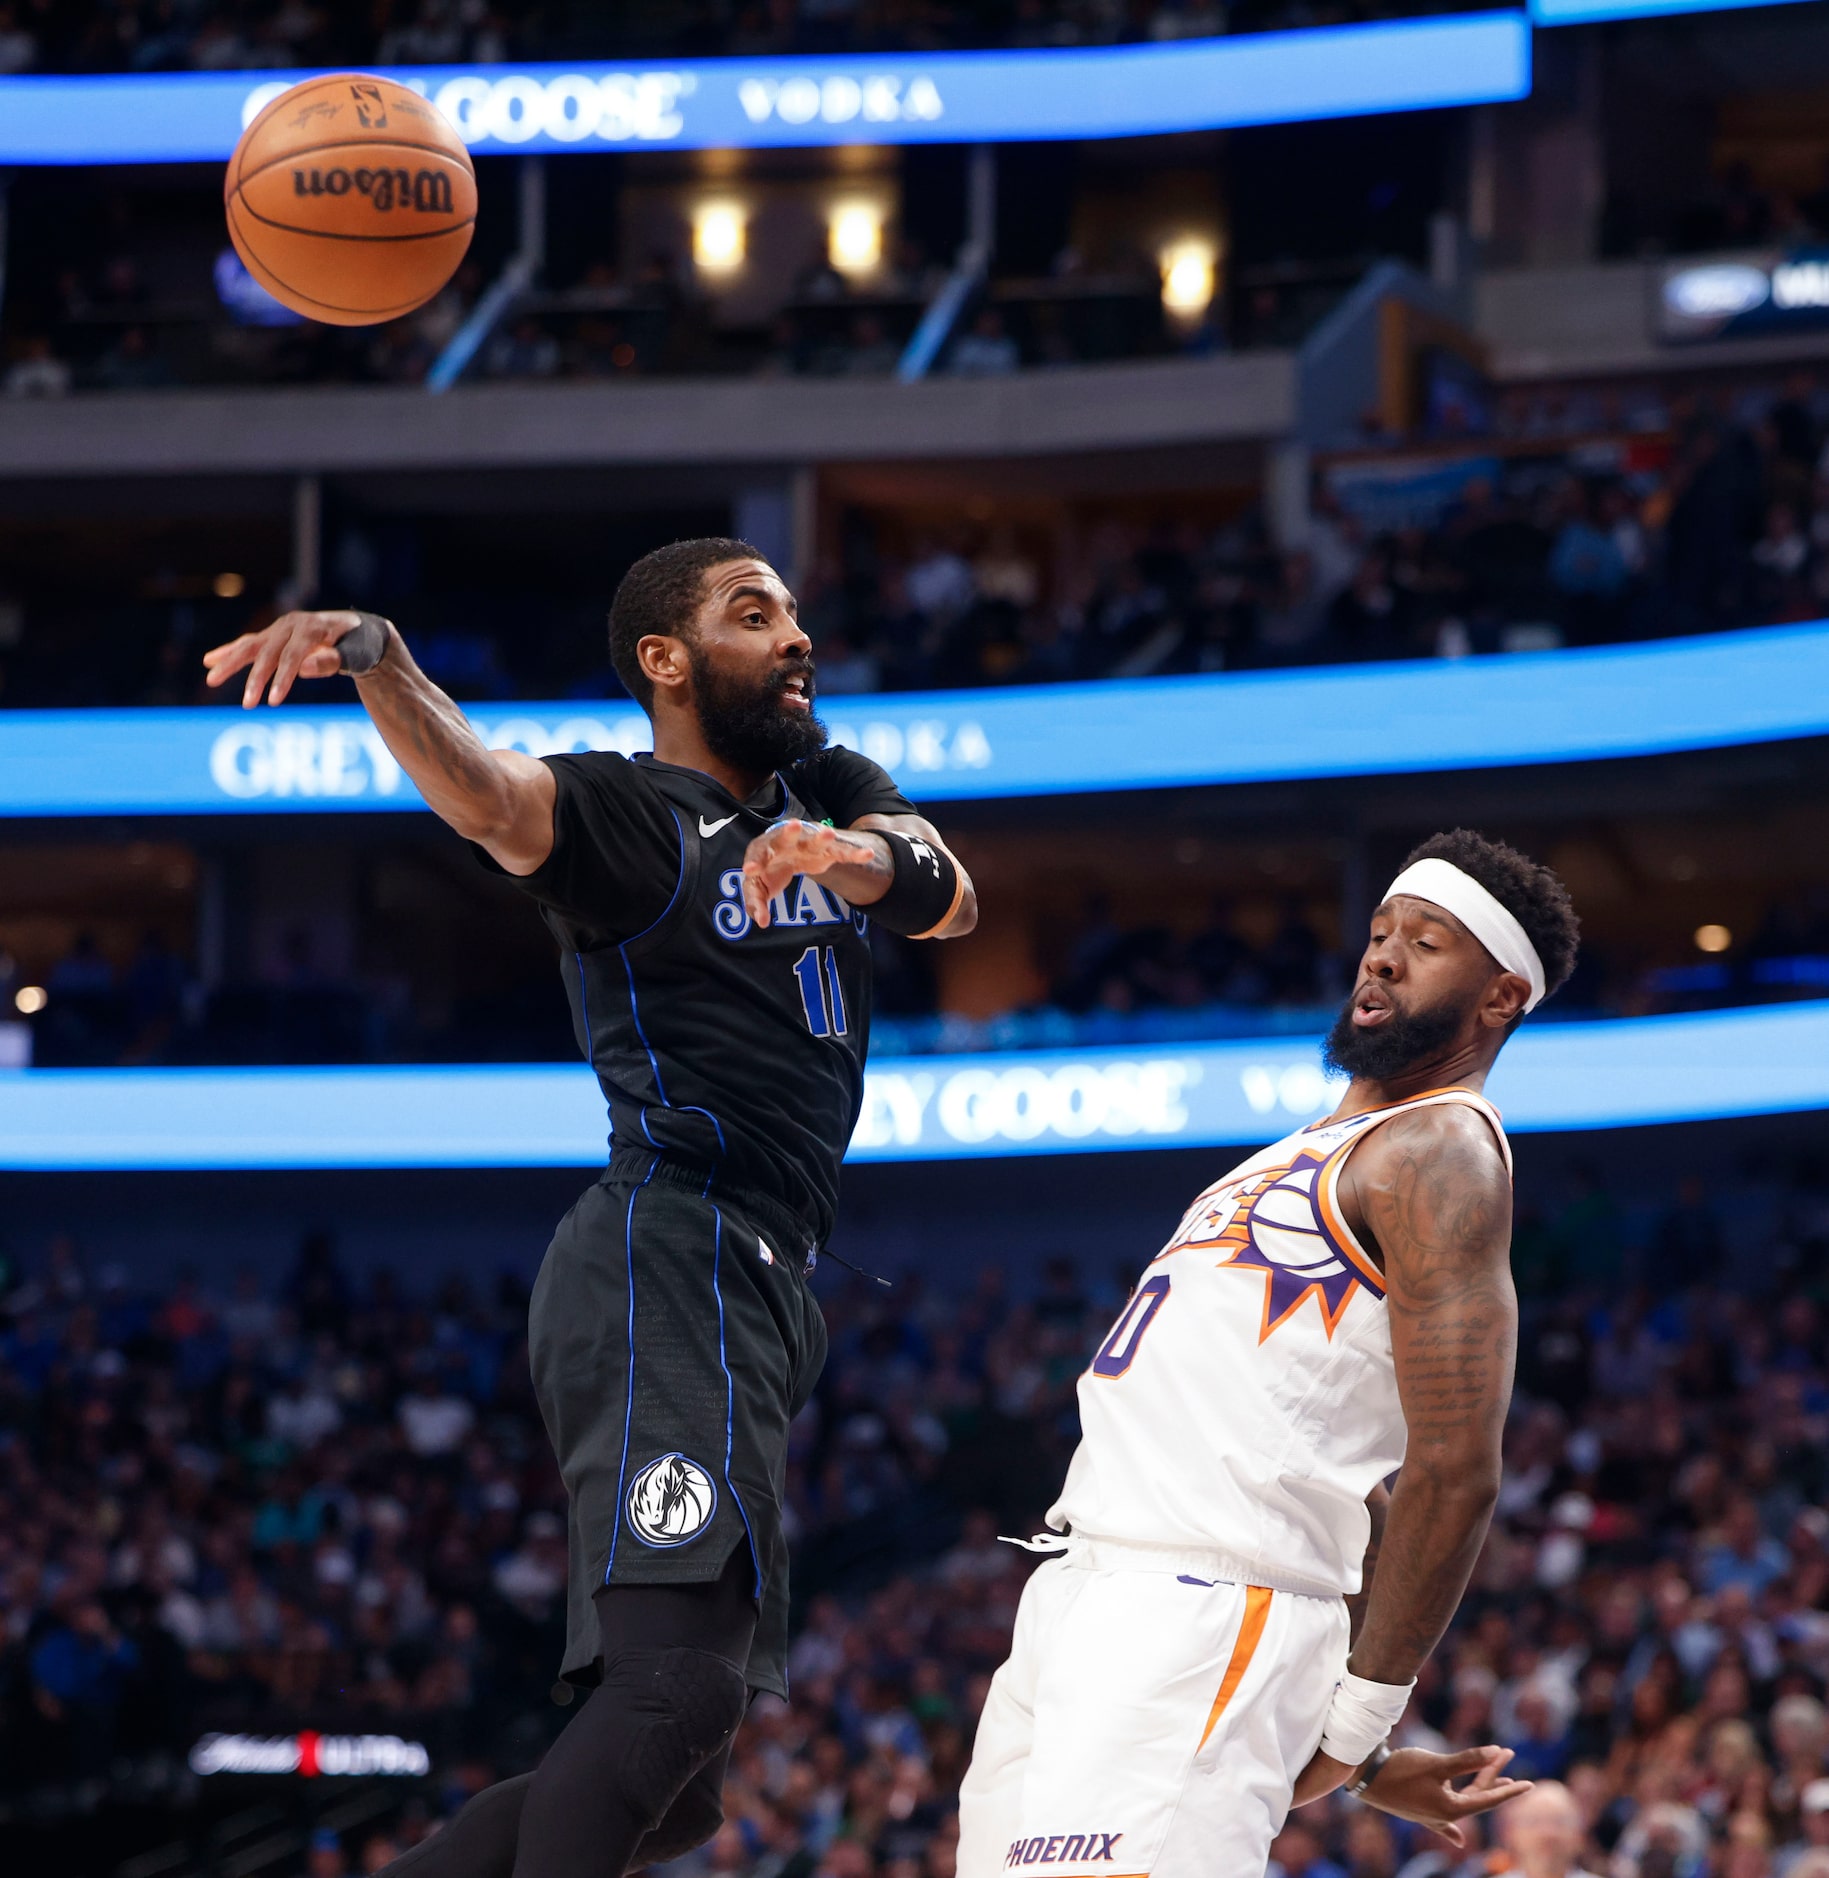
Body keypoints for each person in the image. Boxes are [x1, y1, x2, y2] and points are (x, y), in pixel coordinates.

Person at [202, 537, 977, 1878]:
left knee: (674, 1787)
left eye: (794, 610)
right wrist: (381, 660)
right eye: (754, 614)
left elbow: (949, 893)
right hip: (671, 1245)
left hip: (757, 1279)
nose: (795, 634)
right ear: (665, 662)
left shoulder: (825, 782)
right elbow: (484, 792)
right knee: (672, 1694)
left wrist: (847, 858)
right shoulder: (628, 818)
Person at [957, 828, 1581, 1878]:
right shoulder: (1302, 1151)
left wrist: (1356, 1719)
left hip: (1196, 1614)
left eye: (1425, 943)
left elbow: (1454, 1467)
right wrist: (1373, 1759)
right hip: (1083, 1597)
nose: (1380, 956)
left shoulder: (1440, 1151)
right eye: (1380, 931)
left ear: (1500, 995)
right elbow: (1340, 1488)